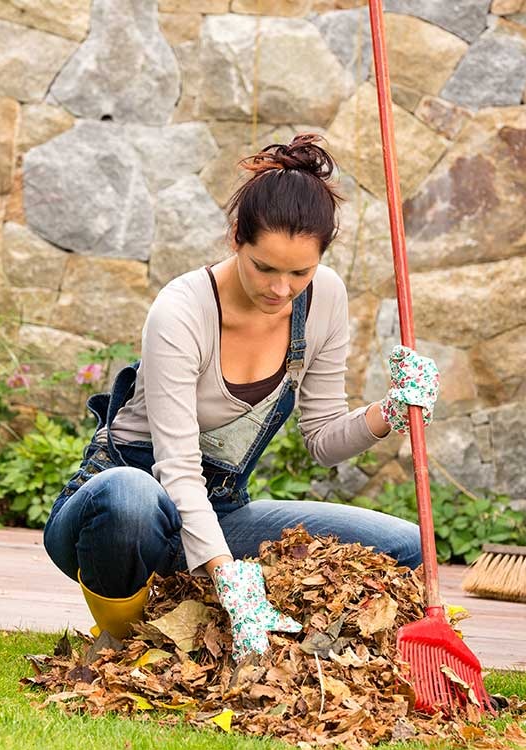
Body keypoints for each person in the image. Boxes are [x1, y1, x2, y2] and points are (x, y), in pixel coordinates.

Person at [43, 133, 439, 663]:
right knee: (129, 498)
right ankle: (125, 644)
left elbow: (322, 440)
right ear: (236, 239)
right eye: (265, 268)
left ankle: (280, 644)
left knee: (406, 546)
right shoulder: (181, 312)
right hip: (123, 515)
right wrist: (230, 576)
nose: (281, 289)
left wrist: (390, 413)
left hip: (217, 513)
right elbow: (177, 471)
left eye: (300, 271)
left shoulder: (324, 300)